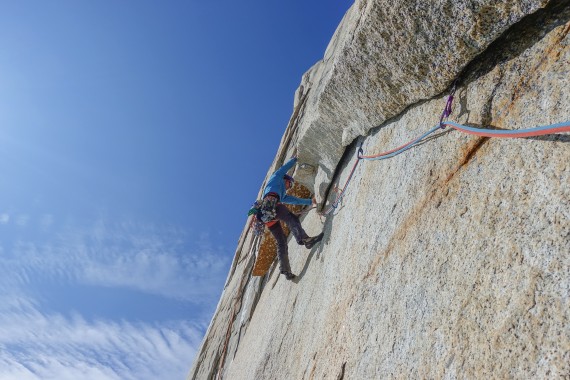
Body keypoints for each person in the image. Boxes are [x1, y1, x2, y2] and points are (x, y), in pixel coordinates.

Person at [250, 157, 324, 281]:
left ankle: (285, 269)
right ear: (286, 179)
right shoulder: (276, 178)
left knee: (281, 241)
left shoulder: (282, 194)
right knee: (291, 218)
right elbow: (283, 169)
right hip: (272, 206)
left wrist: (310, 201)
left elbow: (294, 200)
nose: (290, 187)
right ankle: (305, 239)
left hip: (267, 217)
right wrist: (295, 160)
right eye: (290, 184)